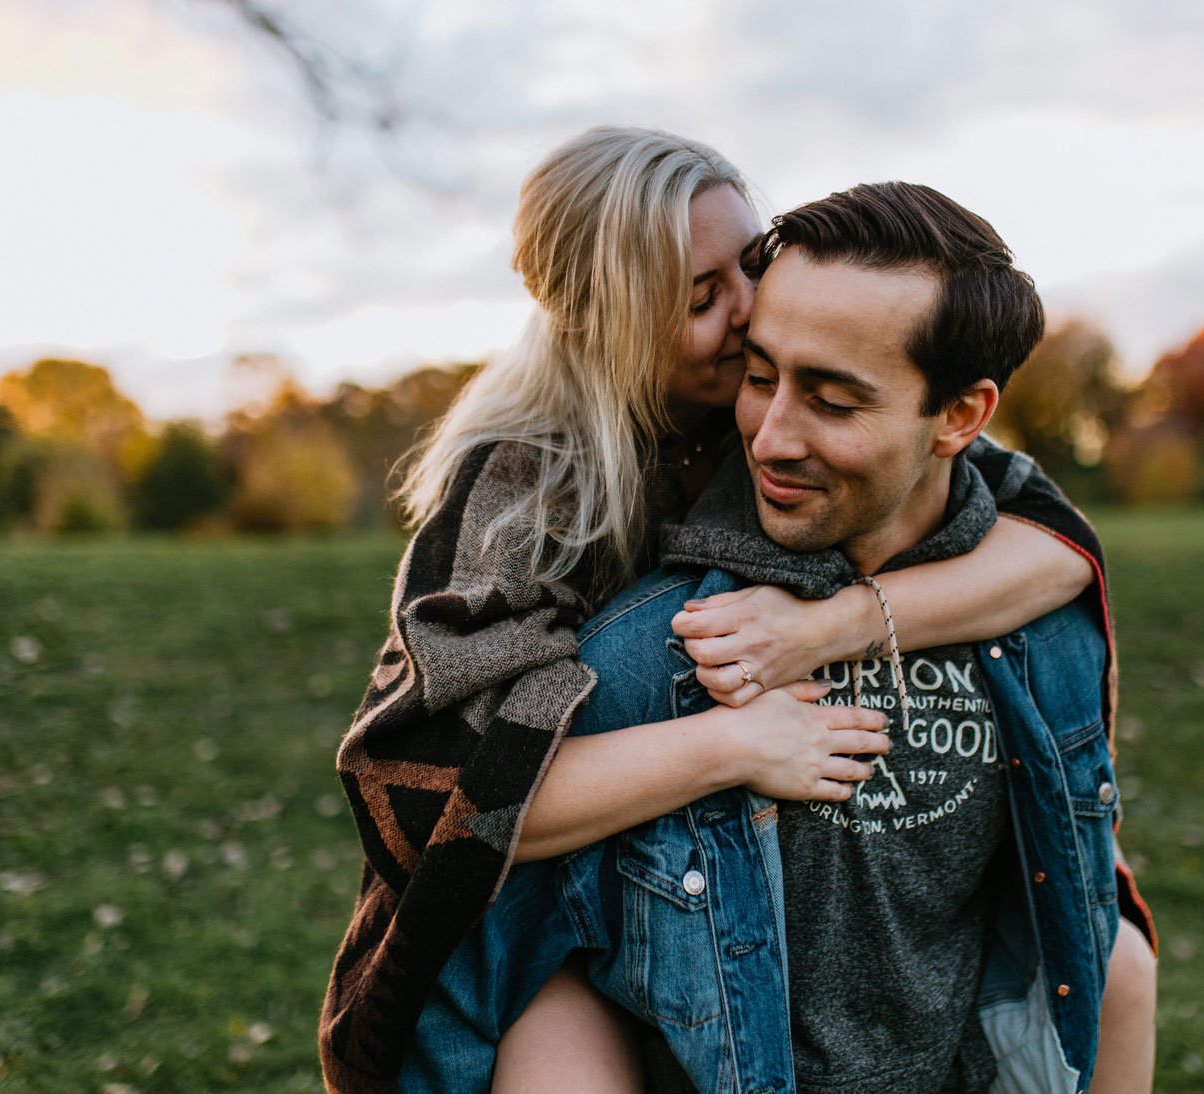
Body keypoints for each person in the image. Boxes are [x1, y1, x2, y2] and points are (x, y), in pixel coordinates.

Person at [318, 128, 1123, 1092]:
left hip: (726, 889)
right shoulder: (527, 488)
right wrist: (734, 745)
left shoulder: (789, 391)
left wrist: (839, 624)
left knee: (1131, 974)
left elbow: (1059, 546)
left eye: (749, 265)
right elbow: (427, 799)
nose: (750, 312)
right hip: (528, 907)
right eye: (702, 299)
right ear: (599, 324)